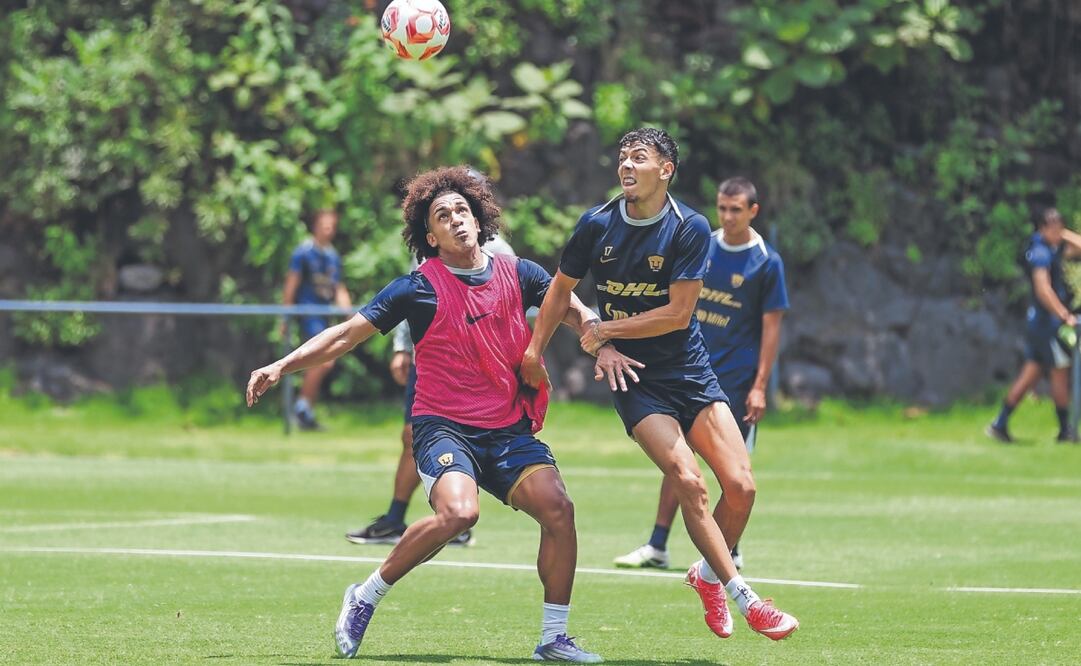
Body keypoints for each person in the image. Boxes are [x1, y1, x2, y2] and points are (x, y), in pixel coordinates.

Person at [247, 166, 616, 662]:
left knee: (559, 510)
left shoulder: (520, 272)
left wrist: (602, 341)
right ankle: (365, 595)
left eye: (462, 210)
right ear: (430, 236)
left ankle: (553, 639)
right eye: (443, 216)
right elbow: (343, 335)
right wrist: (281, 364)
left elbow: (572, 309)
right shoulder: (416, 288)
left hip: (507, 428)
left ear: (479, 217)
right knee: (460, 513)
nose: (457, 220)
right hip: (444, 426)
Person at [521, 128, 798, 642]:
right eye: (622, 157)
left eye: (639, 158)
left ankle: (707, 576)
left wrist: (603, 329)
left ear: (665, 169)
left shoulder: (689, 227)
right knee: (689, 481)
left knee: (741, 488)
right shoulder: (596, 225)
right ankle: (748, 599)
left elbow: (677, 314)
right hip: (635, 380)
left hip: (689, 371)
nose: (627, 165)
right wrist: (535, 352)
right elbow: (560, 290)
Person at [613, 177, 788, 572]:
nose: (727, 217)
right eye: (722, 208)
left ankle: (729, 550)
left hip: (735, 380)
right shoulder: (700, 243)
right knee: (679, 461)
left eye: (736, 210)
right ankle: (658, 544)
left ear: (753, 211)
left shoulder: (766, 261)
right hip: (687, 371)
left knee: (734, 475)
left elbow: (772, 329)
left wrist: (760, 386)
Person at [345, 235, 514, 548]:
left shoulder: (499, 251)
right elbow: (410, 295)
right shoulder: (426, 247)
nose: (454, 214)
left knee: (464, 434)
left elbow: (510, 305)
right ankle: (401, 519)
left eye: (463, 204)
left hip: (472, 366)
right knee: (411, 436)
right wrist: (401, 347)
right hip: (428, 358)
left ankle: (454, 518)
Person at [988, 208, 1081, 443]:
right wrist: (1063, 315)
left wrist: (1062, 233)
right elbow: (1043, 289)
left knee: (1030, 374)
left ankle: (1000, 423)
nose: (1059, 233)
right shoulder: (1040, 252)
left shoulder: (1053, 246)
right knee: (1060, 370)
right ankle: (1065, 431)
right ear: (1042, 228)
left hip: (1038, 325)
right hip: (1046, 324)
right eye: (1054, 228)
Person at [281, 209, 353, 430]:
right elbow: (291, 283)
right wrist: (285, 316)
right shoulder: (303, 252)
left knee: (324, 362)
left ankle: (305, 411)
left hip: (325, 314)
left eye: (332, 226)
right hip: (308, 312)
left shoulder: (332, 255)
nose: (329, 230)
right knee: (325, 359)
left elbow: (337, 286)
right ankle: (302, 407)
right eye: (325, 226)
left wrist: (351, 314)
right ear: (316, 226)